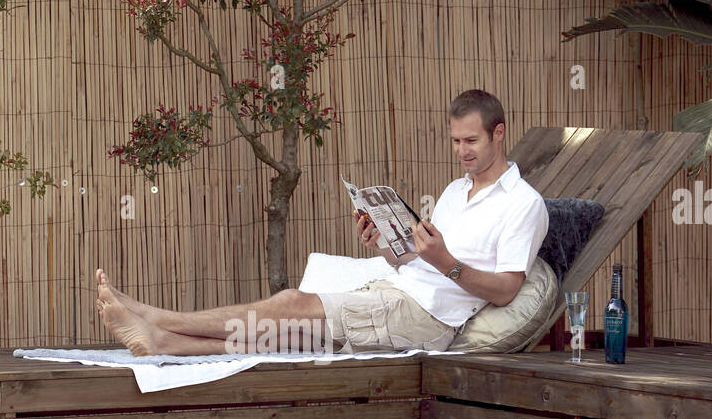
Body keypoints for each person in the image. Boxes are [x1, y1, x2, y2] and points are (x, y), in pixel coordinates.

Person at [95, 89, 549, 357]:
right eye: (455, 141)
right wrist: (386, 246)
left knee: (292, 303)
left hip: (427, 317)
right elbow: (416, 260)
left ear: (499, 133)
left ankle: (158, 316)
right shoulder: (455, 191)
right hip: (397, 293)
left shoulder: (524, 205)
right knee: (288, 337)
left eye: (471, 140)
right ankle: (162, 342)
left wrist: (446, 261)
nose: (462, 151)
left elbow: (507, 289)